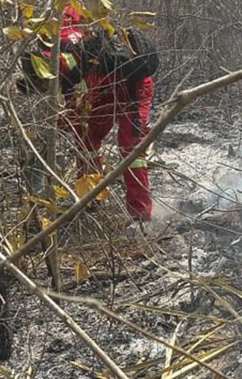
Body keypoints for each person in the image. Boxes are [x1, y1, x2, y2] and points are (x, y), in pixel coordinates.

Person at [17, 5, 155, 221]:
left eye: (40, 86)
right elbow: (77, 110)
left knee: (130, 147)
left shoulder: (64, 63)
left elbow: (75, 105)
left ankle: (140, 214)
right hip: (102, 89)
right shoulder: (53, 32)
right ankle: (91, 196)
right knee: (86, 139)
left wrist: (58, 124)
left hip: (132, 86)